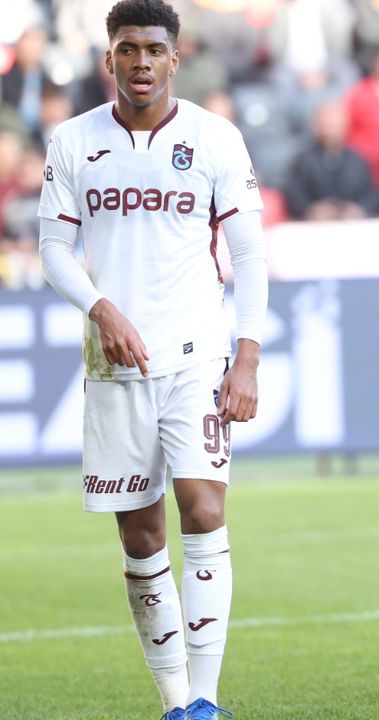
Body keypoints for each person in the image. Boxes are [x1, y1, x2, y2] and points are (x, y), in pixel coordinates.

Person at [36, 2, 267, 719]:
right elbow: (52, 250)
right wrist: (101, 309)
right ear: (109, 58)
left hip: (197, 353)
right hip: (115, 364)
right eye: (129, 49)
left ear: (175, 58)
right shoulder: (74, 141)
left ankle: (205, 699)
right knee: (141, 535)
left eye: (155, 50)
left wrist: (247, 357)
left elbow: (250, 254)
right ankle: (174, 702)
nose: (142, 62)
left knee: (203, 507)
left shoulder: (214, 137)